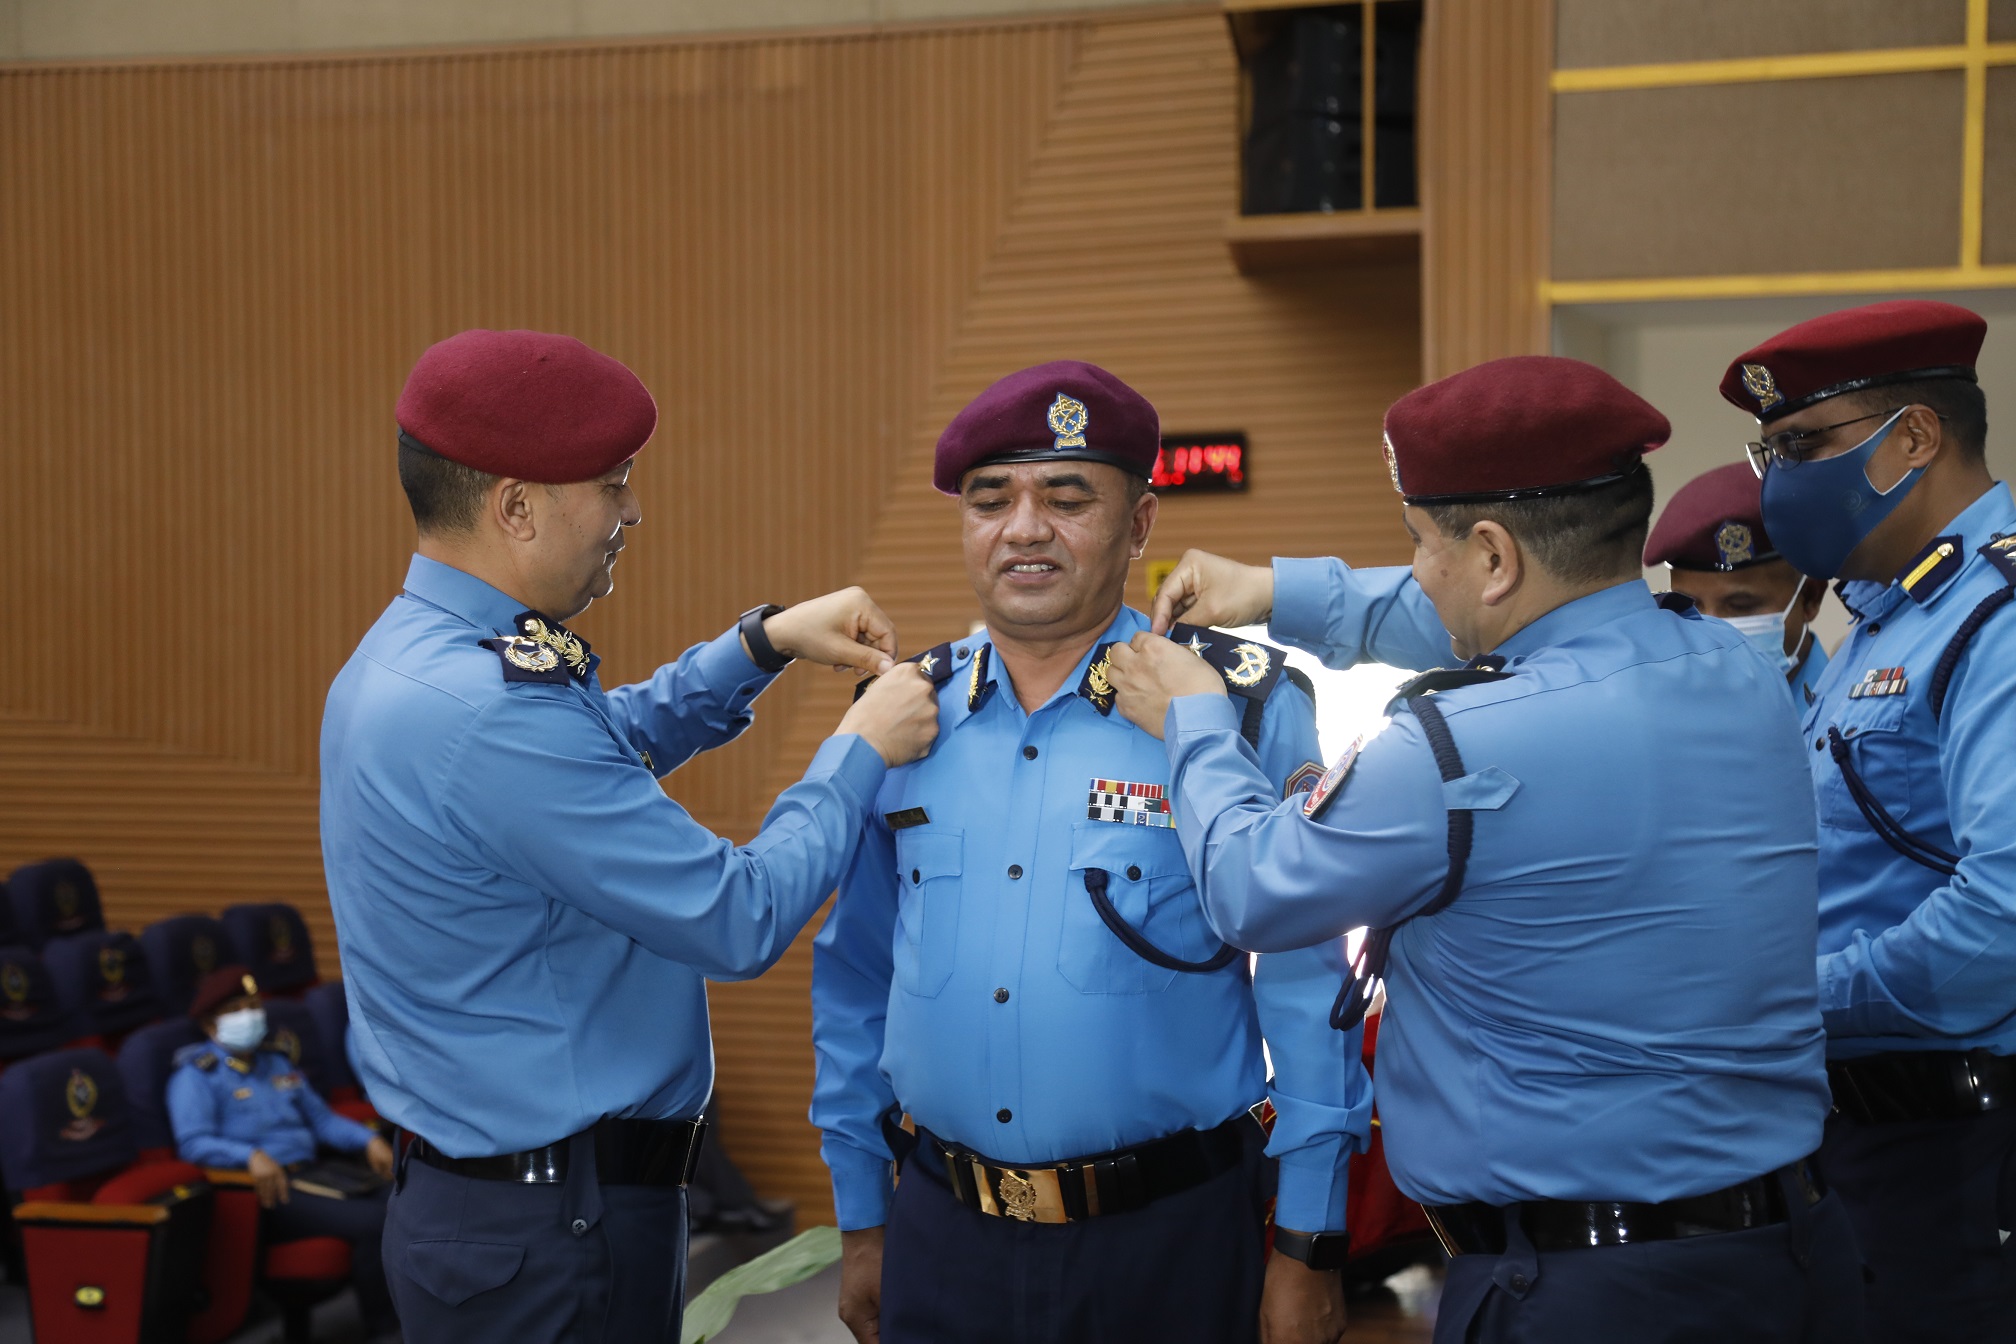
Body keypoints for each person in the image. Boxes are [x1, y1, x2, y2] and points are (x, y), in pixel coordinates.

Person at [1110, 355, 1865, 1343]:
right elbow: (1494, 614)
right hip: (1795, 1256)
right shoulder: (1748, 663)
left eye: (1422, 544)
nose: (1418, 570)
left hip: (1585, 1296)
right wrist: (1273, 591)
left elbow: (1253, 891)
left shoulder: (1444, 751)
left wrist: (1197, 728)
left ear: (1496, 557)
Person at [319, 328, 940, 1344]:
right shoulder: (486, 709)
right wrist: (860, 751)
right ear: (516, 506)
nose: (632, 512)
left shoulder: (421, 656)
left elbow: (599, 750)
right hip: (552, 1230)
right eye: (612, 485)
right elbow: (737, 917)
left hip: (505, 1214)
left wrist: (759, 646)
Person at [810, 361, 1369, 1344]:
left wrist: (1310, 1240)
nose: (1024, 528)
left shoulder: (1233, 705)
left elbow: (1306, 985)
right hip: (944, 1231)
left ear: (1141, 523)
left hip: (1172, 1241)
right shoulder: (901, 714)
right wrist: (862, 1211)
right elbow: (855, 976)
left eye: (1067, 499)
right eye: (992, 501)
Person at [1719, 300, 2016, 1343]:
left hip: (1956, 1145)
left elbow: (2004, 923)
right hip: (1863, 1132)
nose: (1778, 482)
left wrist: (1786, 1003)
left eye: (1802, 446)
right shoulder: (1886, 618)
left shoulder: (1999, 617)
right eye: (1769, 451)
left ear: (1917, 438)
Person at [167, 966, 399, 1342]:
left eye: (255, 1006)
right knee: (376, 1223)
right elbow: (192, 1142)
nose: (252, 1016)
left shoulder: (275, 1062)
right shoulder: (196, 1076)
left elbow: (322, 1121)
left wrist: (367, 1141)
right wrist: (249, 1155)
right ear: (211, 1024)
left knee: (402, 1201)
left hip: (315, 1171)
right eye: (239, 1009)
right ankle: (386, 1330)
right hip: (271, 1191)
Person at [1643, 460, 1829, 704]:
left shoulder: (1848, 712)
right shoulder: (1664, 710)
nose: (1711, 631)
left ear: (1810, 597)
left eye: (1740, 605)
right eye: (1687, 606)